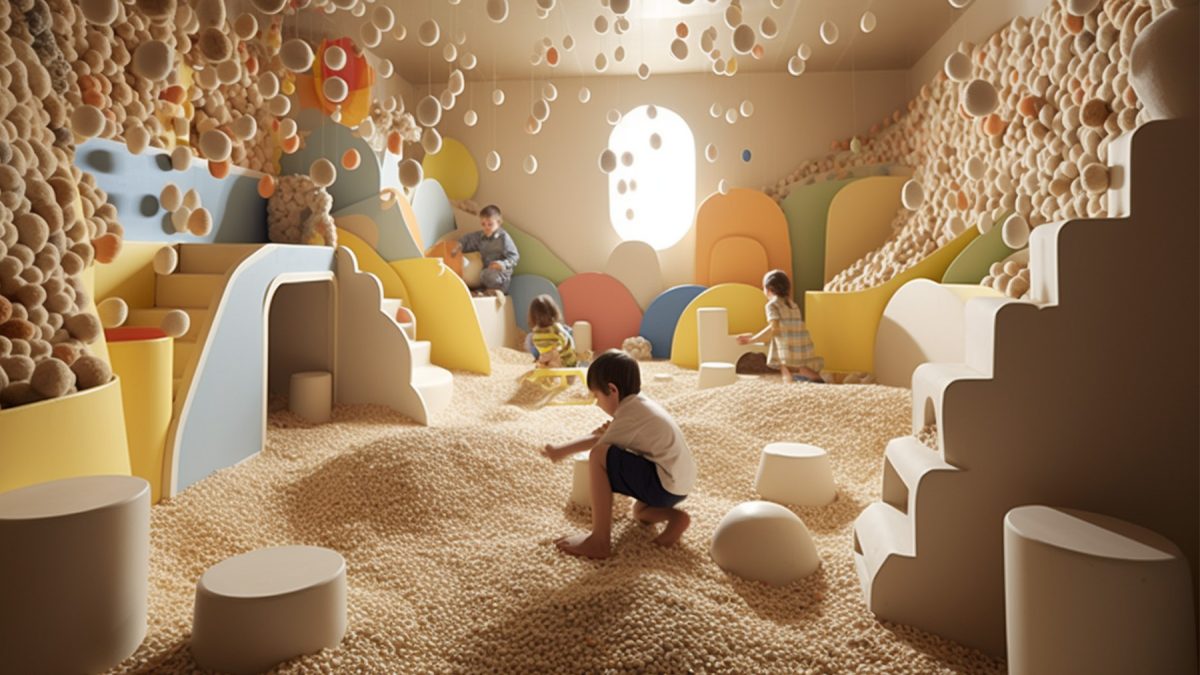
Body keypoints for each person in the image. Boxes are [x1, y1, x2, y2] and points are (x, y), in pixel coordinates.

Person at [540, 351, 695, 559]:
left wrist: (560, 451)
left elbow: (598, 442)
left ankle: (599, 541)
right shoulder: (639, 405)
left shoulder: (630, 415)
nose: (597, 403)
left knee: (599, 456)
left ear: (612, 390)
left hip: (664, 484)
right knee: (639, 511)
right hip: (678, 486)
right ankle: (676, 518)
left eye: (597, 396)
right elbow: (606, 435)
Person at [737, 269, 825, 383]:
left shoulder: (772, 305)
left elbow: (774, 327)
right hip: (800, 342)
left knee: (786, 366)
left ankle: (793, 384)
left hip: (786, 343)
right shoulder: (792, 304)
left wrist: (752, 339)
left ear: (768, 289)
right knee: (798, 367)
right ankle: (816, 380)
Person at [454, 204, 519, 297]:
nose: (486, 227)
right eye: (483, 224)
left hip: (501, 277)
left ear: (499, 222)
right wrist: (458, 246)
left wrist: (501, 264)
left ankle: (497, 292)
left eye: (490, 224)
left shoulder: (503, 238)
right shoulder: (481, 237)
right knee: (482, 274)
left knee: (488, 274)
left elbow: (514, 257)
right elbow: (468, 239)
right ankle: (485, 291)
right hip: (485, 274)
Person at [526, 294, 577, 368]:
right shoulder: (556, 328)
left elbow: (562, 346)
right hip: (564, 360)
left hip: (564, 360)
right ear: (553, 311)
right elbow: (568, 342)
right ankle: (549, 363)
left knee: (554, 351)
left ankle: (551, 363)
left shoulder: (538, 332)